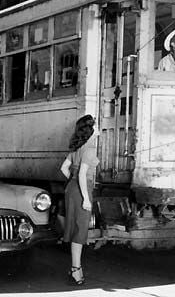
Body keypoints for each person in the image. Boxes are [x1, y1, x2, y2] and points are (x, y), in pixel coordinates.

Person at [60, 114, 99, 285]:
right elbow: (83, 174)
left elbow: (63, 168)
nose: (97, 129)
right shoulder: (89, 149)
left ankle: (75, 268)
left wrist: (72, 182)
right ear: (90, 130)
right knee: (80, 230)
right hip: (82, 190)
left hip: (72, 189)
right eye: (95, 126)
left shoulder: (77, 147)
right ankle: (76, 270)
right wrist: (85, 198)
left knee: (76, 228)